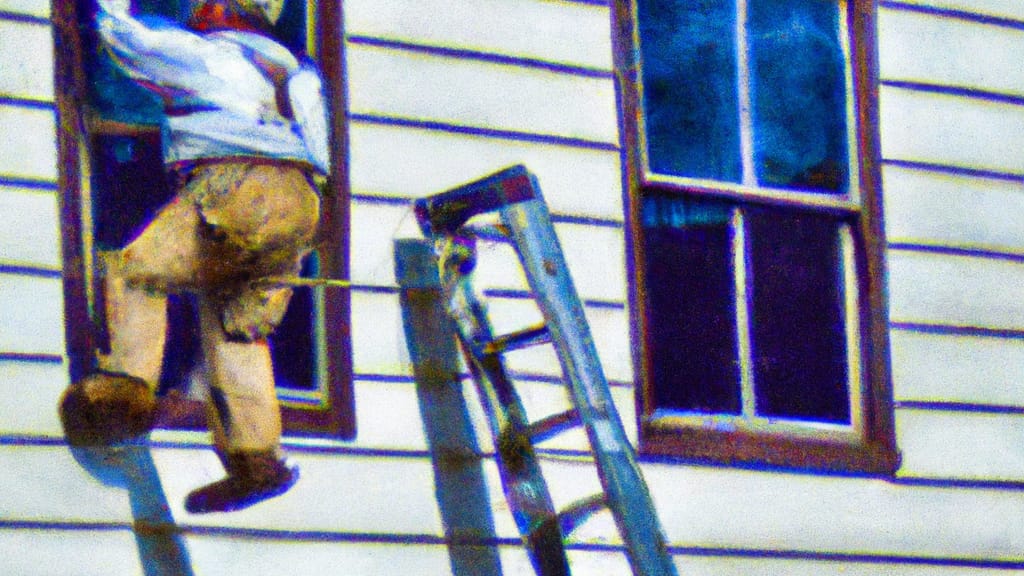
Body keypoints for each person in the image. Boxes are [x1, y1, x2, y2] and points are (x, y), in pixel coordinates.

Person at [58, 0, 330, 514]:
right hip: (300, 203)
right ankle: (256, 459)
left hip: (237, 184)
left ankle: (124, 392)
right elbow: (319, 149)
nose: (196, 12)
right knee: (235, 327)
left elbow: (129, 40)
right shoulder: (300, 73)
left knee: (140, 271)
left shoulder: (209, 55)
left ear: (223, 13)